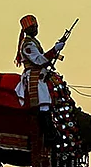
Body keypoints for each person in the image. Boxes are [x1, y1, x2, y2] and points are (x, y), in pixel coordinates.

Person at [14, 14, 65, 145]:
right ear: (27, 30)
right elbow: (39, 60)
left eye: (37, 26)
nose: (36, 29)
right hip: (34, 78)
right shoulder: (27, 45)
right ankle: (48, 135)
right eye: (33, 27)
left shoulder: (33, 42)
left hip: (41, 75)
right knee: (43, 102)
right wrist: (54, 49)